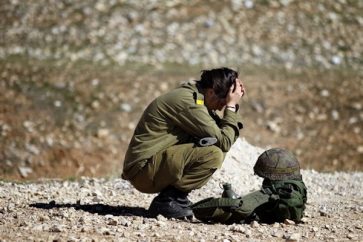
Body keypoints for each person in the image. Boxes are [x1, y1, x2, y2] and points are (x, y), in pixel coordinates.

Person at [122, 67, 246, 219]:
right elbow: (225, 141)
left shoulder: (200, 99)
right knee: (213, 154)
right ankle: (167, 201)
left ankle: (172, 199)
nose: (222, 107)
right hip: (142, 172)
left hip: (149, 167)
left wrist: (232, 107)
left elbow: (225, 136)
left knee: (215, 145)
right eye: (223, 101)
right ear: (211, 91)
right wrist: (231, 107)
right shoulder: (189, 103)